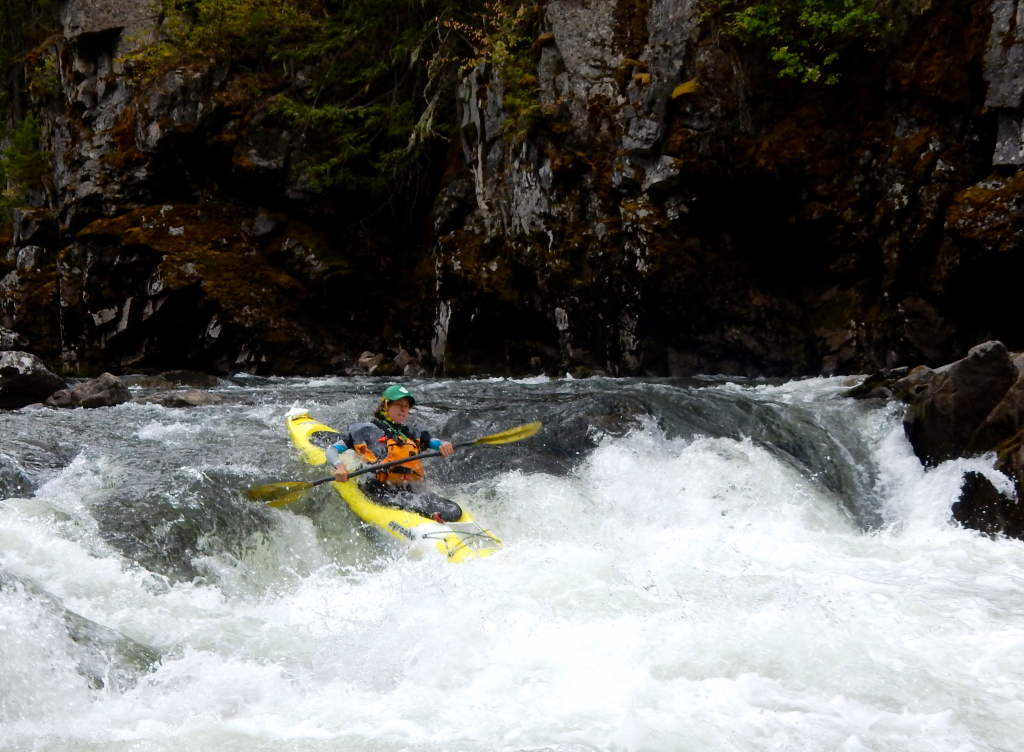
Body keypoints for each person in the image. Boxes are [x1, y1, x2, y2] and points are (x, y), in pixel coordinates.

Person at [324, 384, 463, 522]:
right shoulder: (366, 431)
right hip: (378, 488)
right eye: (399, 404)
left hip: (409, 489)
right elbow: (332, 450)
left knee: (453, 511)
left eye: (407, 406)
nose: (404, 409)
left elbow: (434, 442)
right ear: (386, 406)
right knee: (420, 507)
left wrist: (443, 445)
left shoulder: (412, 434)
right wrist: (340, 466)